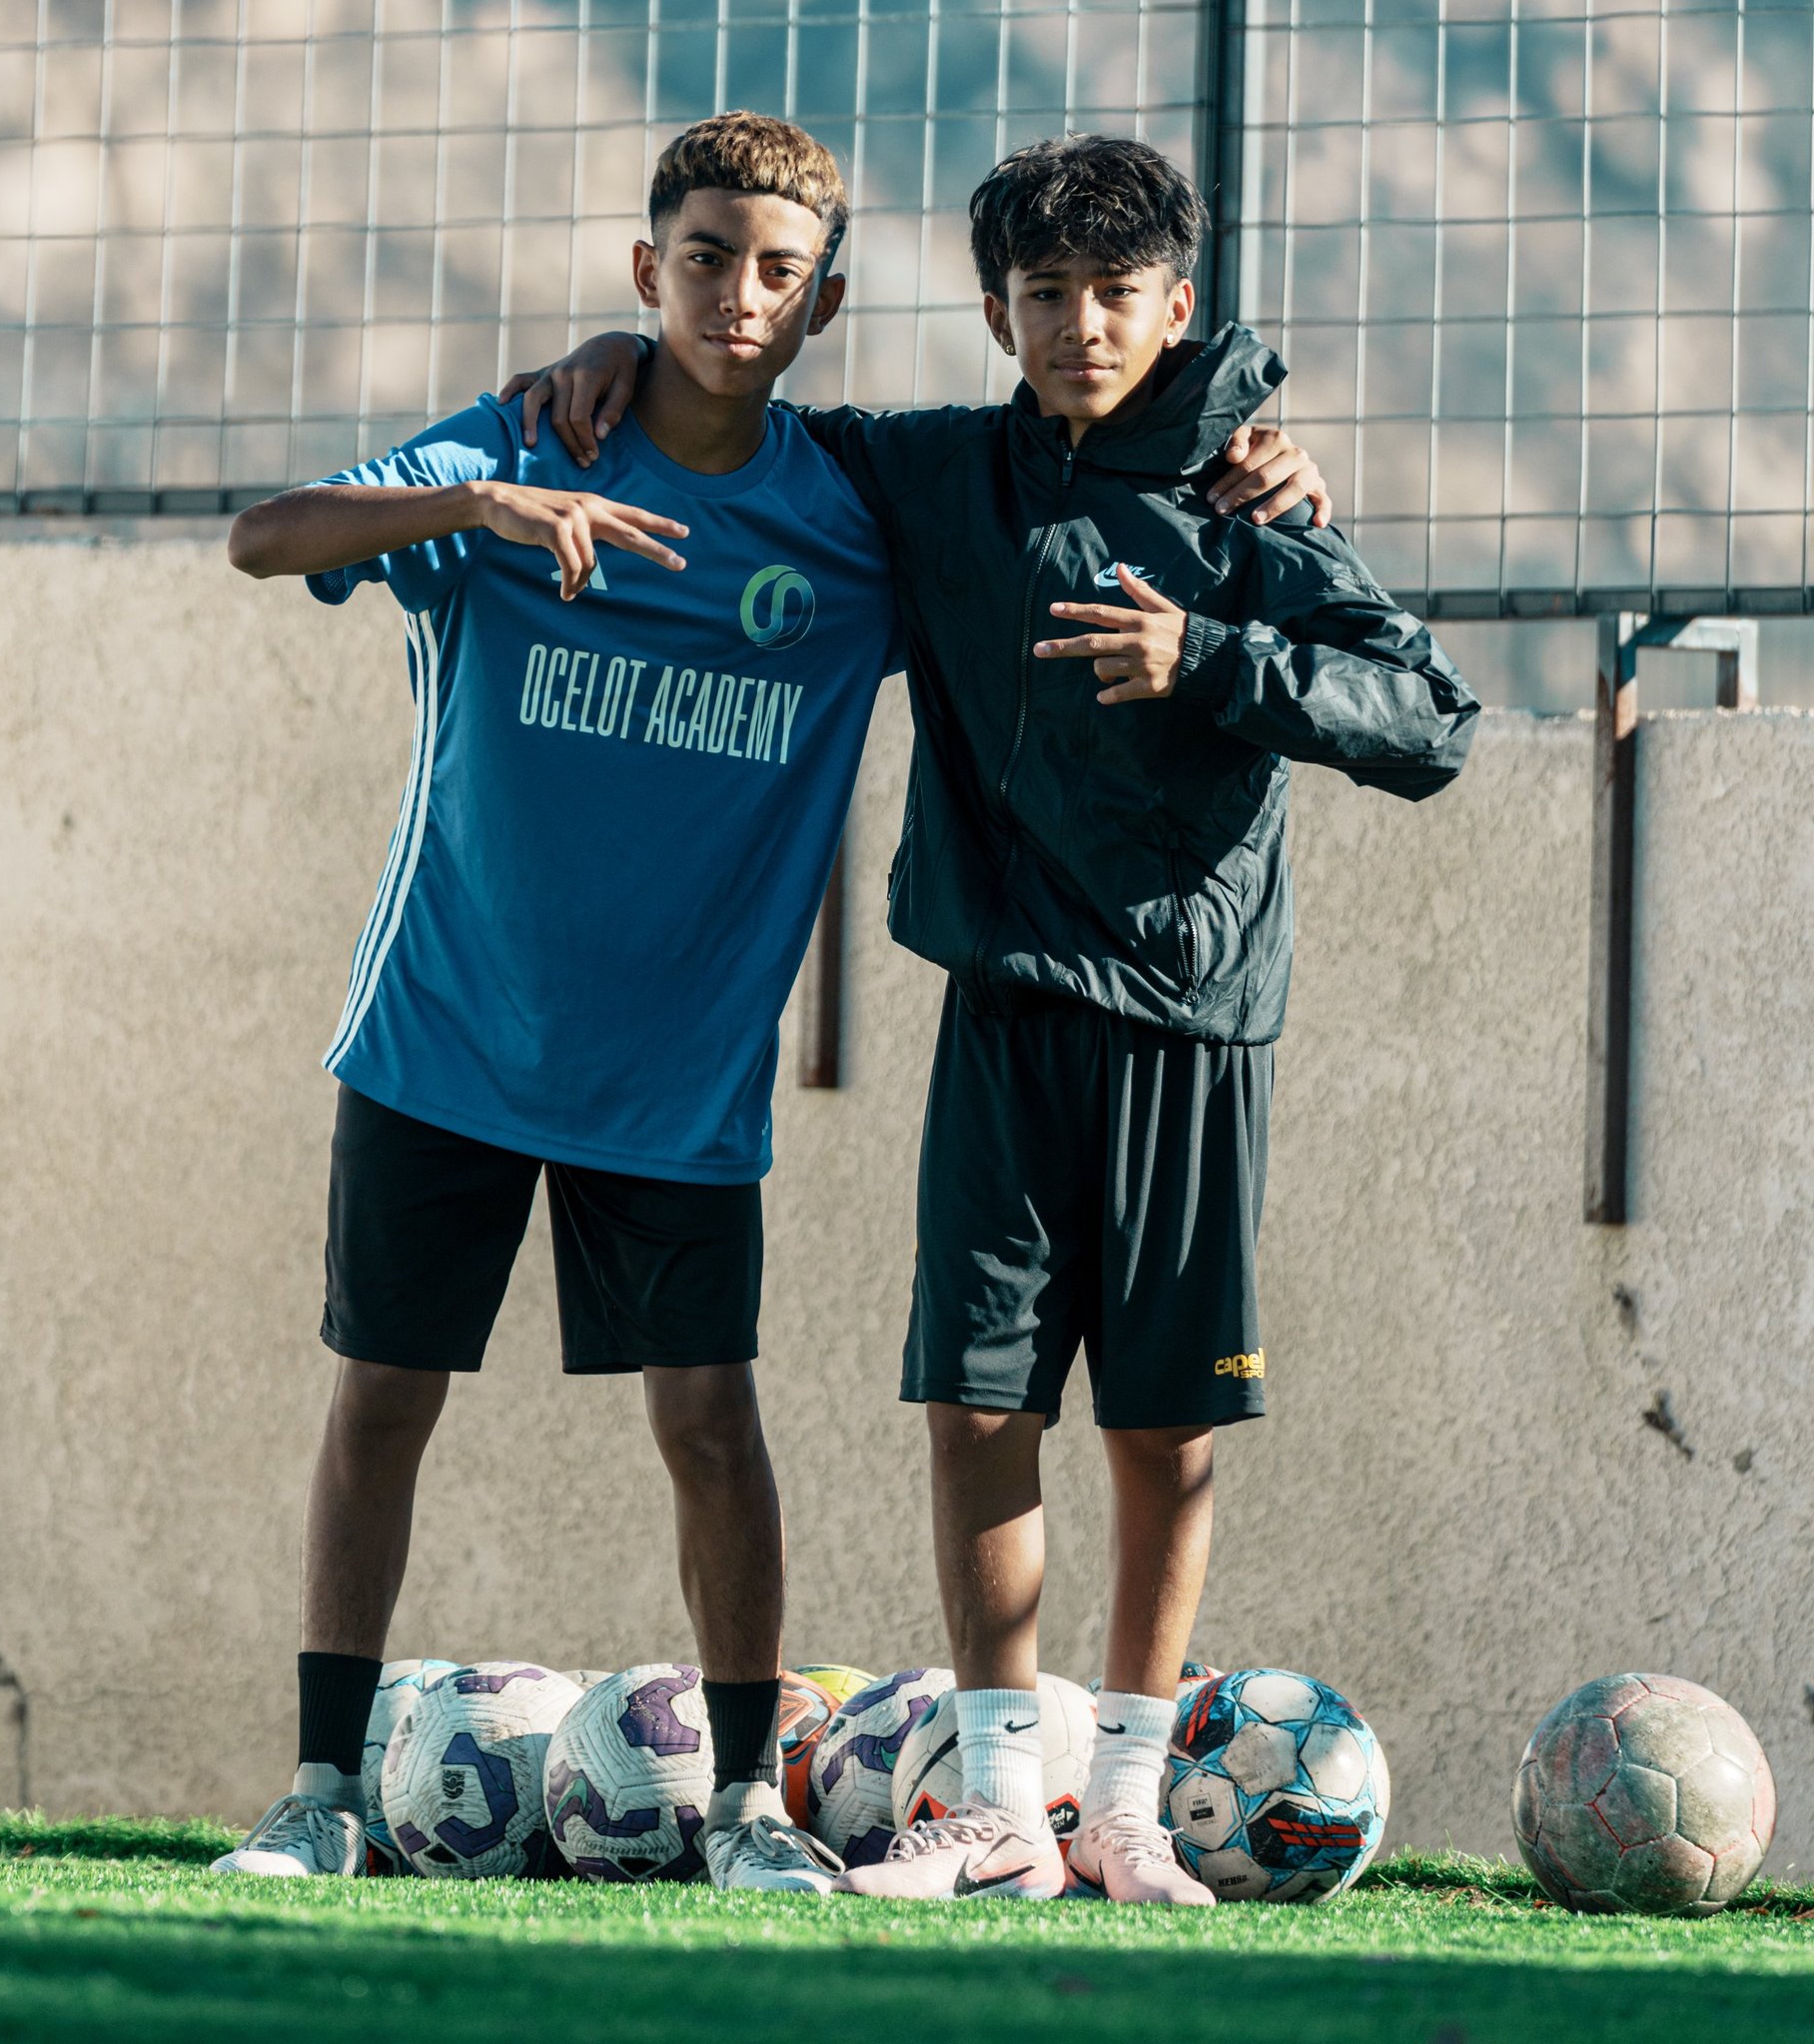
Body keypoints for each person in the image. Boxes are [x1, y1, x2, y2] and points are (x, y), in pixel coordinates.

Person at [213, 113, 1329, 1895]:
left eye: (780, 272)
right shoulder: (520, 446)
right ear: (647, 272)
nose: (740, 295)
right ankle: (321, 1785)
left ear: (825, 309)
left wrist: (1249, 476)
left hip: (680, 1082)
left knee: (712, 1426)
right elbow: (266, 536)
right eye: (707, 259)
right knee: (381, 1403)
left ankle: (744, 1805)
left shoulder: (852, 514)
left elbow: (1055, 501)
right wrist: (476, 497)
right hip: (446, 1034)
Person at [507, 133, 1478, 1906]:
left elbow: (1433, 719)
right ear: (993, 311)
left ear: (1177, 306)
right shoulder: (936, 480)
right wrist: (604, 366)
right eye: (1046, 296)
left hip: (1190, 1025)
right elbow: (748, 440)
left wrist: (1219, 663)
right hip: (1005, 1014)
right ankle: (1002, 1811)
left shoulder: (1255, 511)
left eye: (1117, 295)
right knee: (976, 1404)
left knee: (1165, 1427)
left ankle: (1124, 1802)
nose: (1081, 326)